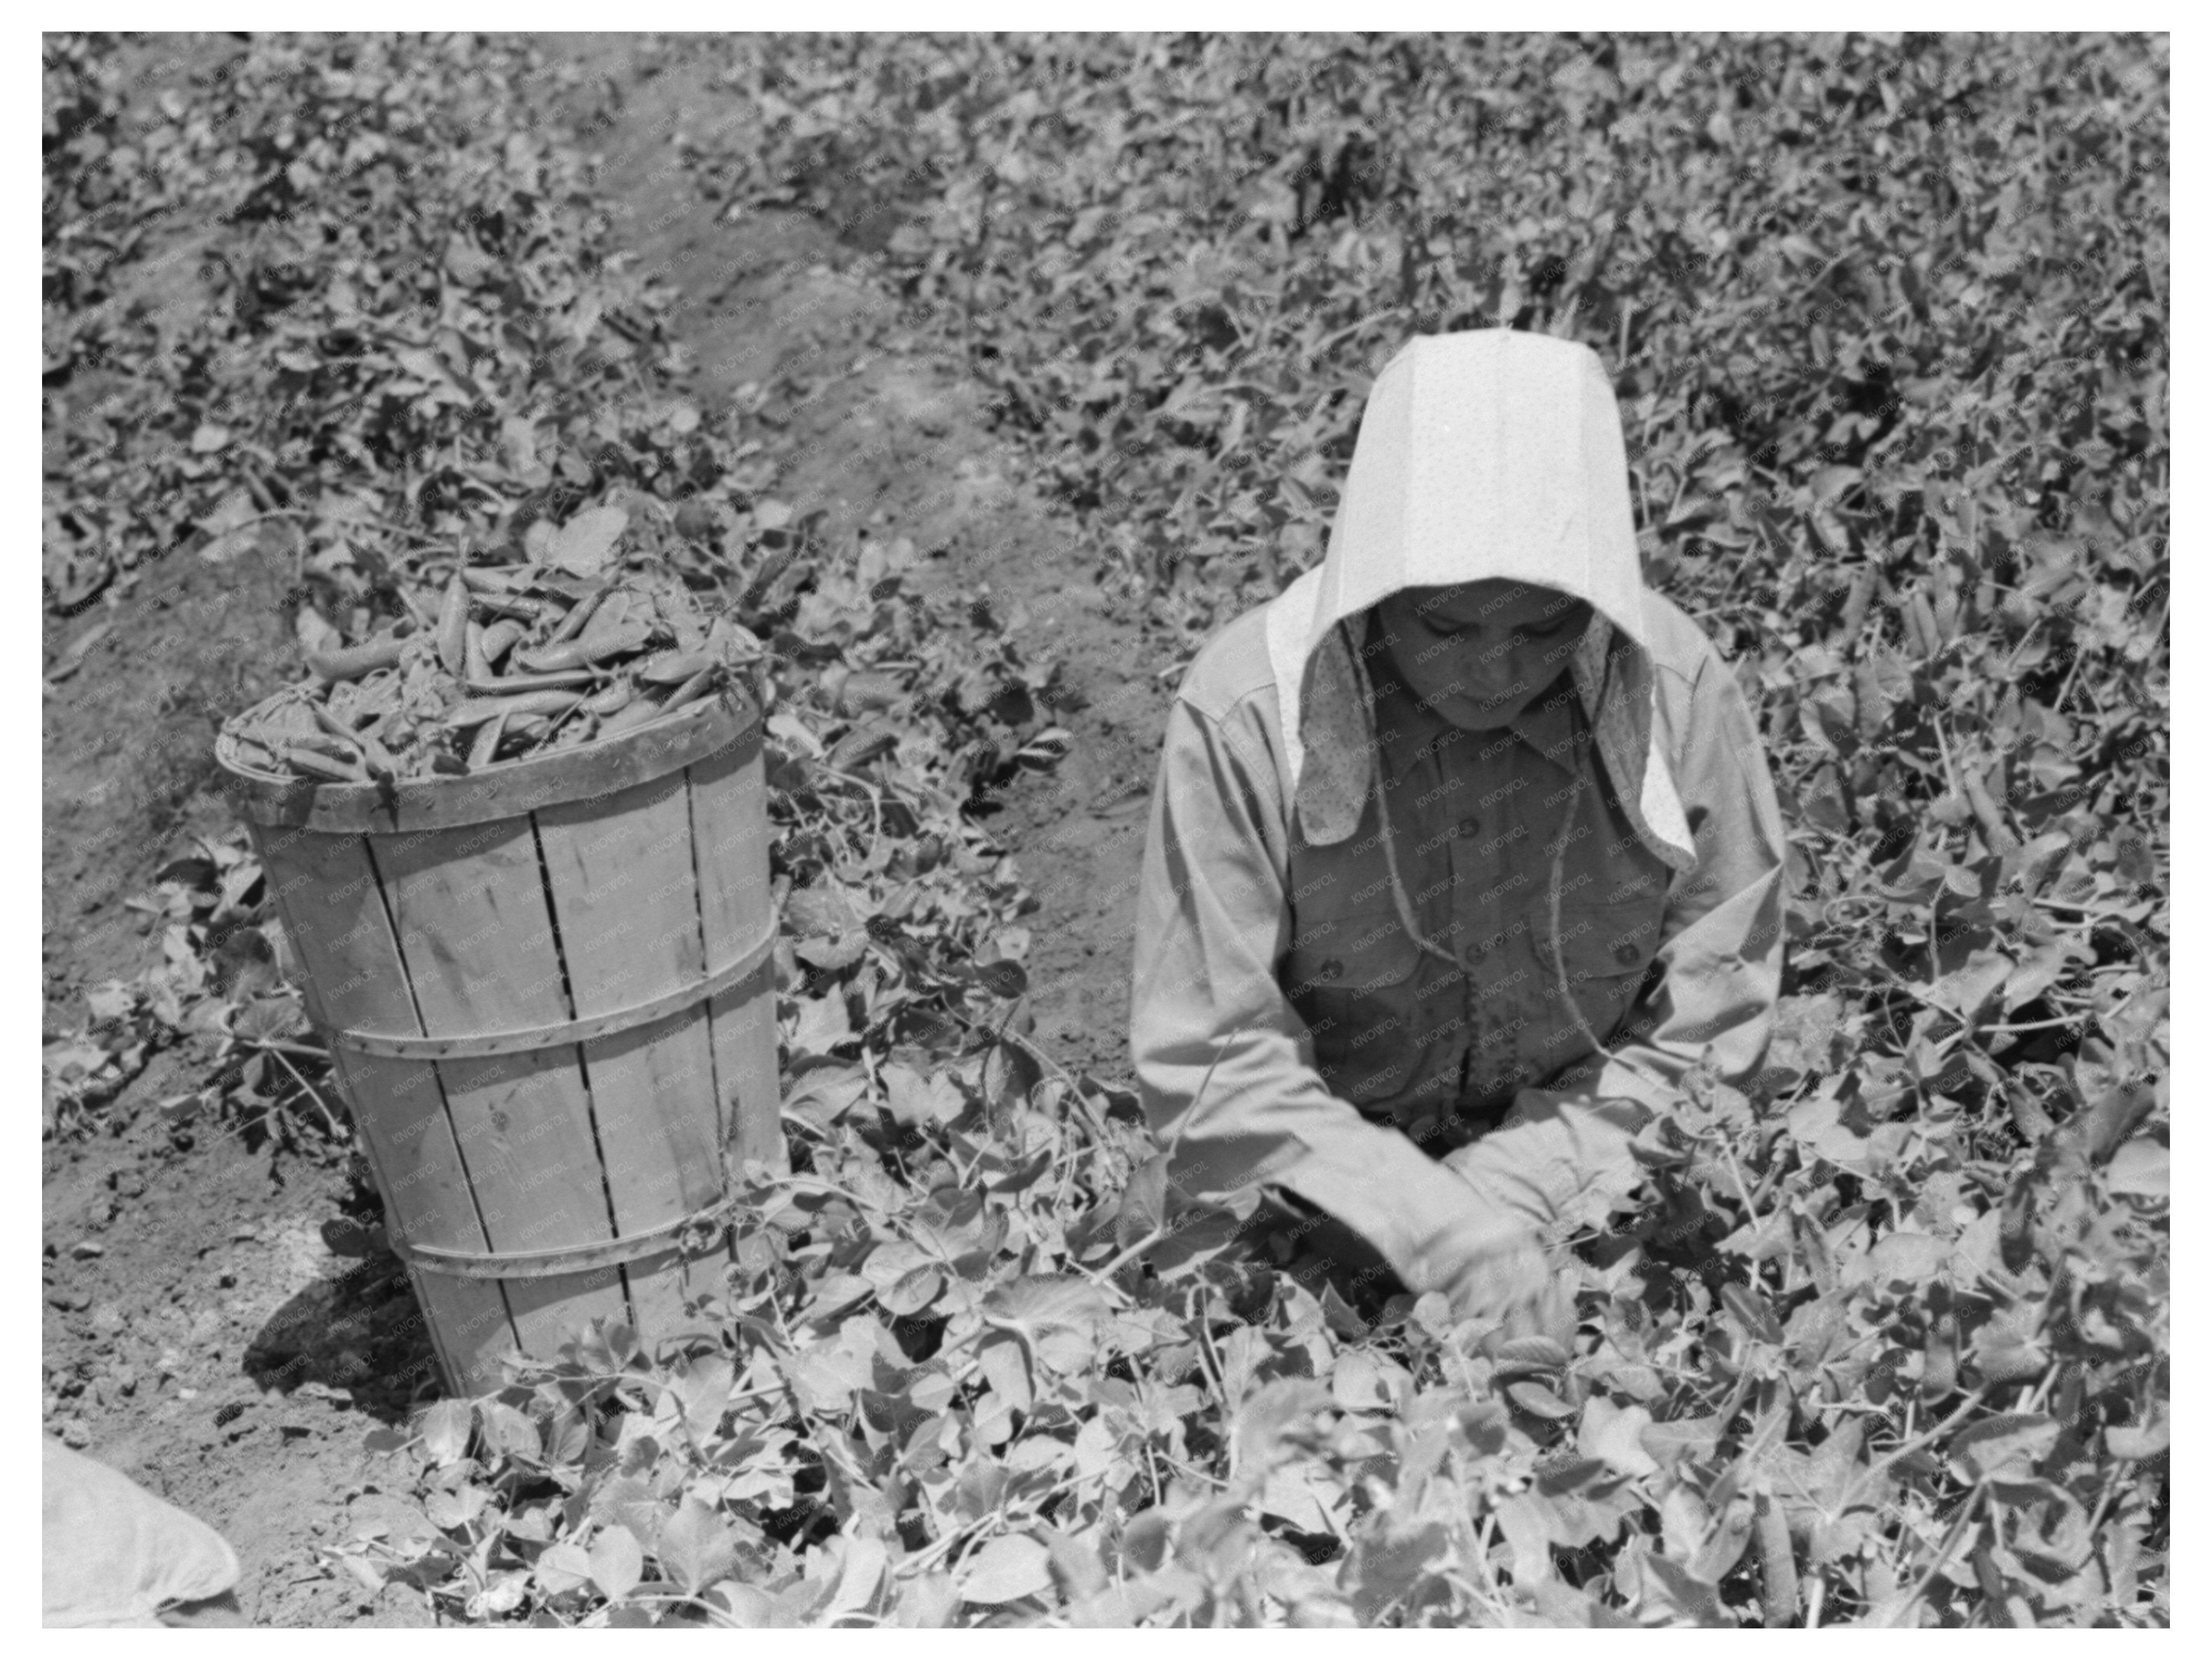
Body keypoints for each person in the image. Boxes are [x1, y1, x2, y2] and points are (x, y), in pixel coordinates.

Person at [1129, 328, 1785, 1332]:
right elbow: (1214, 1057)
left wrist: (1518, 1190)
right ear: (1374, 592)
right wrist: (1423, 1222)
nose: (1491, 669)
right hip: (1311, 1188)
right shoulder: (1251, 713)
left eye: (1541, 631)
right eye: (1442, 629)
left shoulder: (1674, 694)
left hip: (1593, 1164)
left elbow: (1711, 1015)